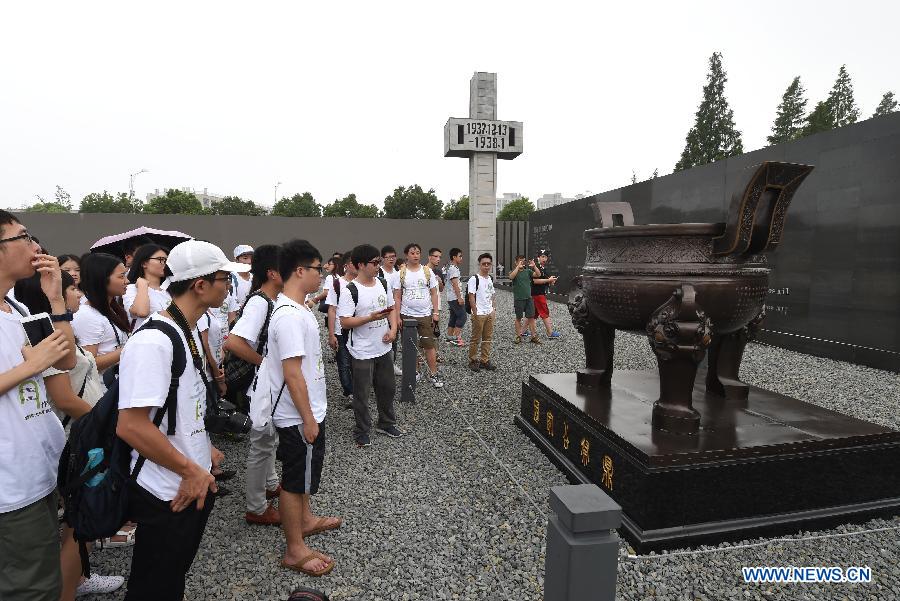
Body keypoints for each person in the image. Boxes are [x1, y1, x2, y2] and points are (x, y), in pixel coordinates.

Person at [115, 240, 246, 600]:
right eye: (224, 278)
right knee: (153, 584)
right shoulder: (154, 340)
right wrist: (190, 469)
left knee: (171, 576)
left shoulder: (184, 330)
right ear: (199, 285)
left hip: (189, 478)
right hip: (166, 489)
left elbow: (179, 404)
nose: (229, 286)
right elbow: (130, 425)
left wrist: (204, 448)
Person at [14, 271, 125, 598]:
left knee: (77, 521)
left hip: (82, 430)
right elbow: (62, 397)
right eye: (71, 287)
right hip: (75, 435)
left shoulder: (56, 328)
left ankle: (78, 579)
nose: (78, 293)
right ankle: (70, 587)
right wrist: (104, 427)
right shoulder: (38, 333)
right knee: (80, 520)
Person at [0, 210, 75, 601]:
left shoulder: (17, 307)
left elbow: (64, 360)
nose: (35, 246)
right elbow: (40, 364)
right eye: (24, 237)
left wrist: (56, 296)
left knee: (40, 576)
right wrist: (30, 365)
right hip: (9, 484)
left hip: (36, 470)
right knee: (30, 588)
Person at [266, 239, 340, 577]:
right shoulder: (289, 316)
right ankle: (294, 549)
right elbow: (292, 372)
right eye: (318, 268)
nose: (323, 273)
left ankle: (306, 521)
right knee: (294, 481)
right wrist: (309, 418)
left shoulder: (298, 308)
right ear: (299, 270)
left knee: (304, 476)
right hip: (299, 415)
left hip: (308, 410)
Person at [225, 245, 284, 525]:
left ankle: (270, 484)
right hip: (259, 386)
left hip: (265, 384)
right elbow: (233, 342)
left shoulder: (272, 299)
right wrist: (264, 362)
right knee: (261, 443)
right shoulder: (261, 302)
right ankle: (256, 506)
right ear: (273, 273)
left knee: (268, 439)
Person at [338, 244, 405, 448]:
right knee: (362, 394)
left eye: (379, 262)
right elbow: (345, 322)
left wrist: (393, 330)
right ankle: (362, 430)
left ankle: (386, 423)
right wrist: (370, 318)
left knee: (387, 388)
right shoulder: (351, 290)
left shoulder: (382, 283)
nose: (378, 266)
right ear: (360, 265)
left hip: (383, 348)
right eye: (374, 263)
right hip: (362, 351)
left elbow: (391, 308)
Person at [389, 243, 443, 388]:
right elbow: (397, 297)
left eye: (418, 252)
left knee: (429, 345)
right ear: (407, 255)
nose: (415, 255)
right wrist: (398, 317)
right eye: (412, 253)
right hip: (406, 314)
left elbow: (434, 292)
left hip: (426, 314)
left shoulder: (427, 272)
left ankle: (433, 373)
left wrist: (436, 312)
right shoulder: (399, 274)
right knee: (410, 346)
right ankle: (415, 371)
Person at [73, 253, 130, 377]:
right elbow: (89, 363)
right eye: (121, 276)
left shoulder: (113, 308)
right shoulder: (87, 315)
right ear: (102, 279)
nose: (127, 281)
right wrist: (130, 347)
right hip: (102, 391)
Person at [326, 251, 356, 405]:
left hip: (358, 329)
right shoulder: (337, 284)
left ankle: (359, 389)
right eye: (354, 261)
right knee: (343, 363)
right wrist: (331, 334)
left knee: (357, 362)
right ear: (346, 265)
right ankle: (349, 392)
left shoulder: (364, 282)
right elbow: (332, 309)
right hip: (341, 331)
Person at [124, 244, 172, 331]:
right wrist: (142, 285)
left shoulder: (169, 290)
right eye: (161, 259)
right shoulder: (131, 288)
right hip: (145, 342)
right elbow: (141, 311)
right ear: (144, 263)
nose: (165, 263)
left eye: (167, 260)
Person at [467, 253, 497, 371]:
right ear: (479, 265)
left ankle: (484, 360)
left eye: (488, 264)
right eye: (484, 264)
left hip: (489, 313)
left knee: (487, 338)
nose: (486, 266)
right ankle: (473, 360)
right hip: (479, 313)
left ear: (491, 265)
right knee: (476, 338)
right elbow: (471, 296)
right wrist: (475, 312)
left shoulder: (489, 278)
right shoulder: (474, 279)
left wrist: (493, 309)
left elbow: (492, 294)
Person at [378, 245, 402, 376]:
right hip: (381, 311)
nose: (391, 259)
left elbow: (397, 295)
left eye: (393, 257)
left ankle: (391, 364)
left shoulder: (398, 273)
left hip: (393, 310)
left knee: (394, 338)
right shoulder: (378, 273)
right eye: (389, 257)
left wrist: (397, 316)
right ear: (382, 258)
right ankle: (380, 366)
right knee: (380, 337)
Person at [509, 255, 541, 345]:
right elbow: (511, 277)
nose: (522, 263)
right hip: (519, 299)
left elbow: (538, 275)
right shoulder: (514, 272)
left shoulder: (528, 271)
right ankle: (518, 336)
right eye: (520, 261)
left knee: (531, 318)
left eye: (523, 261)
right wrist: (517, 268)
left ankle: (534, 336)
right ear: (516, 262)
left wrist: (534, 266)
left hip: (529, 299)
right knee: (518, 318)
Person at [530, 250, 560, 340]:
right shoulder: (535, 267)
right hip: (538, 294)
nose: (544, 258)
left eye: (545, 257)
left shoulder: (543, 268)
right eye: (542, 256)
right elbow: (535, 281)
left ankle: (523, 332)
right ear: (538, 258)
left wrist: (551, 281)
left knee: (532, 314)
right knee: (544, 312)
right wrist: (548, 280)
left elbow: (546, 280)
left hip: (538, 294)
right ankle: (550, 332)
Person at [444, 247, 466, 347]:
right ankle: (456, 339)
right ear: (454, 257)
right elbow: (455, 284)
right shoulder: (453, 269)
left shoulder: (451, 267)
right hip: (454, 297)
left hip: (451, 297)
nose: (461, 258)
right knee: (462, 316)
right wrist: (459, 298)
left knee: (453, 317)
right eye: (460, 256)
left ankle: (449, 338)